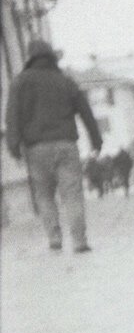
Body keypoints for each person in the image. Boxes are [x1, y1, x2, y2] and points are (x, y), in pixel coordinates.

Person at [5, 38, 102, 252]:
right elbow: (86, 112)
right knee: (72, 193)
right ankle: (79, 241)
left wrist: (14, 145)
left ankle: (54, 238)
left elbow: (12, 116)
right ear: (51, 57)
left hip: (36, 148)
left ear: (30, 57)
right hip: (66, 144)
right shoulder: (65, 81)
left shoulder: (20, 82)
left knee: (44, 194)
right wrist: (96, 140)